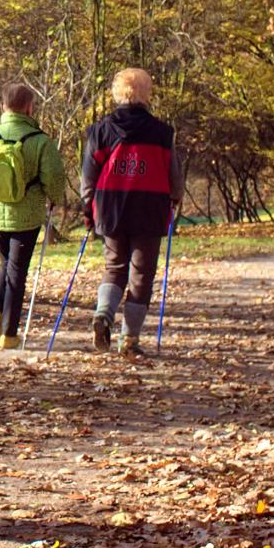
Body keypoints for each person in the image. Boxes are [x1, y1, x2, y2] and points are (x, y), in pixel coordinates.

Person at [79, 67, 182, 358]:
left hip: (111, 208)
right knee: (141, 274)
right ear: (146, 93)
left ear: (117, 92)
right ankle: (130, 340)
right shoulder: (162, 132)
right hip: (150, 208)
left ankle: (104, 312)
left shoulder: (100, 131)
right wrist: (175, 198)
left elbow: (88, 176)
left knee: (114, 267)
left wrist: (89, 207)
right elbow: (174, 174)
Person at [0, 82, 66, 349]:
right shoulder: (40, 141)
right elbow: (54, 177)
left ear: (3, 107)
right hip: (27, 216)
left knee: (5, 264)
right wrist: (54, 199)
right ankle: (9, 334)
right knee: (16, 271)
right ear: (29, 107)